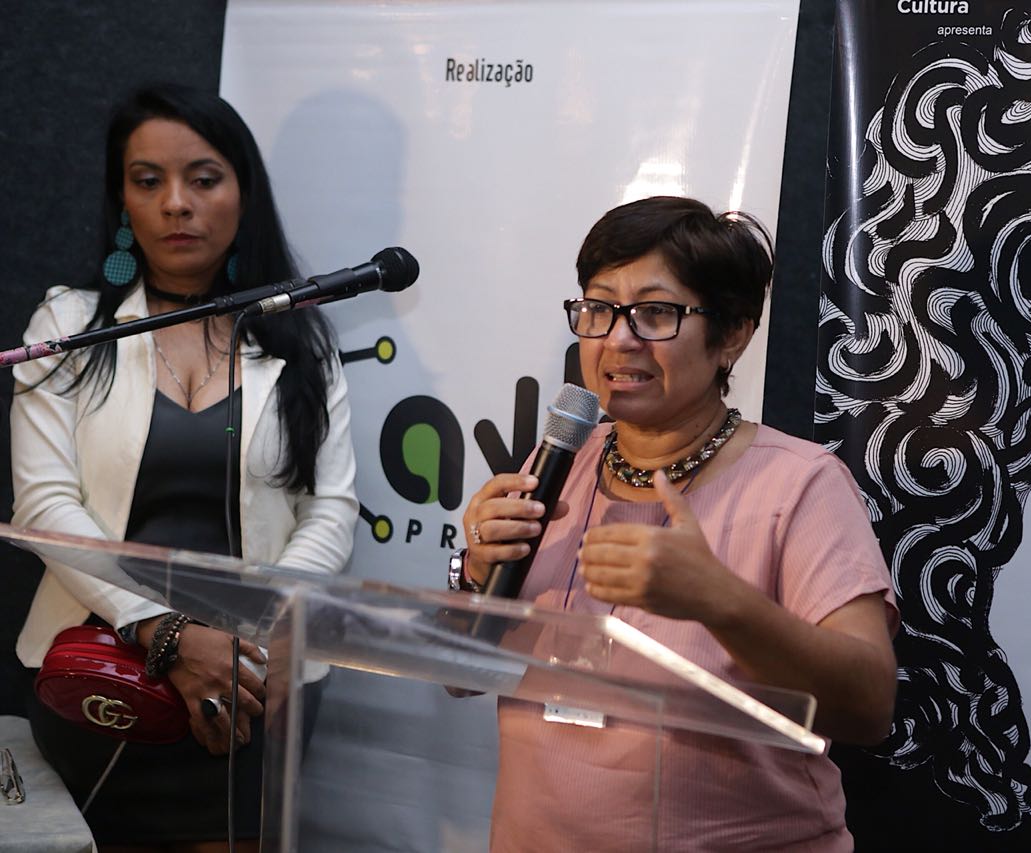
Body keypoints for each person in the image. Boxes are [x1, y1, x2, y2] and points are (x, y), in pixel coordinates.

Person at [459, 196, 899, 851]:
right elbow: (462, 674)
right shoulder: (556, 466)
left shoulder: (800, 484)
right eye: (599, 308)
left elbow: (868, 707)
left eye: (656, 314)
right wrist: (475, 571)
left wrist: (719, 600)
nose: (618, 339)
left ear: (733, 335)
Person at [10, 84, 358, 853]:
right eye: (148, 180)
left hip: (254, 685)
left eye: (203, 178)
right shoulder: (66, 327)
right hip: (99, 678)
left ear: (244, 193)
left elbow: (331, 510)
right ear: (122, 201)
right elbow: (44, 505)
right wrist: (166, 634)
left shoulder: (303, 339)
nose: (176, 203)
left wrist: (248, 639)